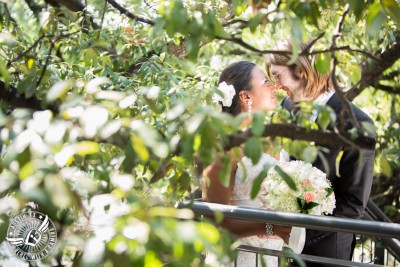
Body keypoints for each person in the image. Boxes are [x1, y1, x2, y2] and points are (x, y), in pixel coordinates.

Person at [266, 40, 375, 266]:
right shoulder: (287, 107)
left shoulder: (357, 124)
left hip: (327, 252)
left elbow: (353, 204)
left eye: (278, 76)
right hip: (283, 249)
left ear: (302, 70)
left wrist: (298, 232)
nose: (276, 86)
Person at [202, 61, 292, 267]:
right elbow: (215, 220)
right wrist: (270, 228)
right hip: (238, 255)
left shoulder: (271, 139)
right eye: (266, 82)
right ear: (245, 96)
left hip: (271, 255)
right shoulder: (225, 147)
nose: (275, 87)